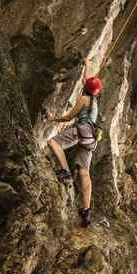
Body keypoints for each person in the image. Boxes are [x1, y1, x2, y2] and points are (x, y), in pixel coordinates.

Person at [45, 57, 101, 228]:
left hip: (79, 132)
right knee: (85, 173)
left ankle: (65, 172)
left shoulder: (84, 99)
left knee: (53, 142)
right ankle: (86, 210)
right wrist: (87, 65)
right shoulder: (95, 101)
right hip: (90, 139)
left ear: (86, 88)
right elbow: (88, 81)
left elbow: (69, 117)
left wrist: (52, 118)